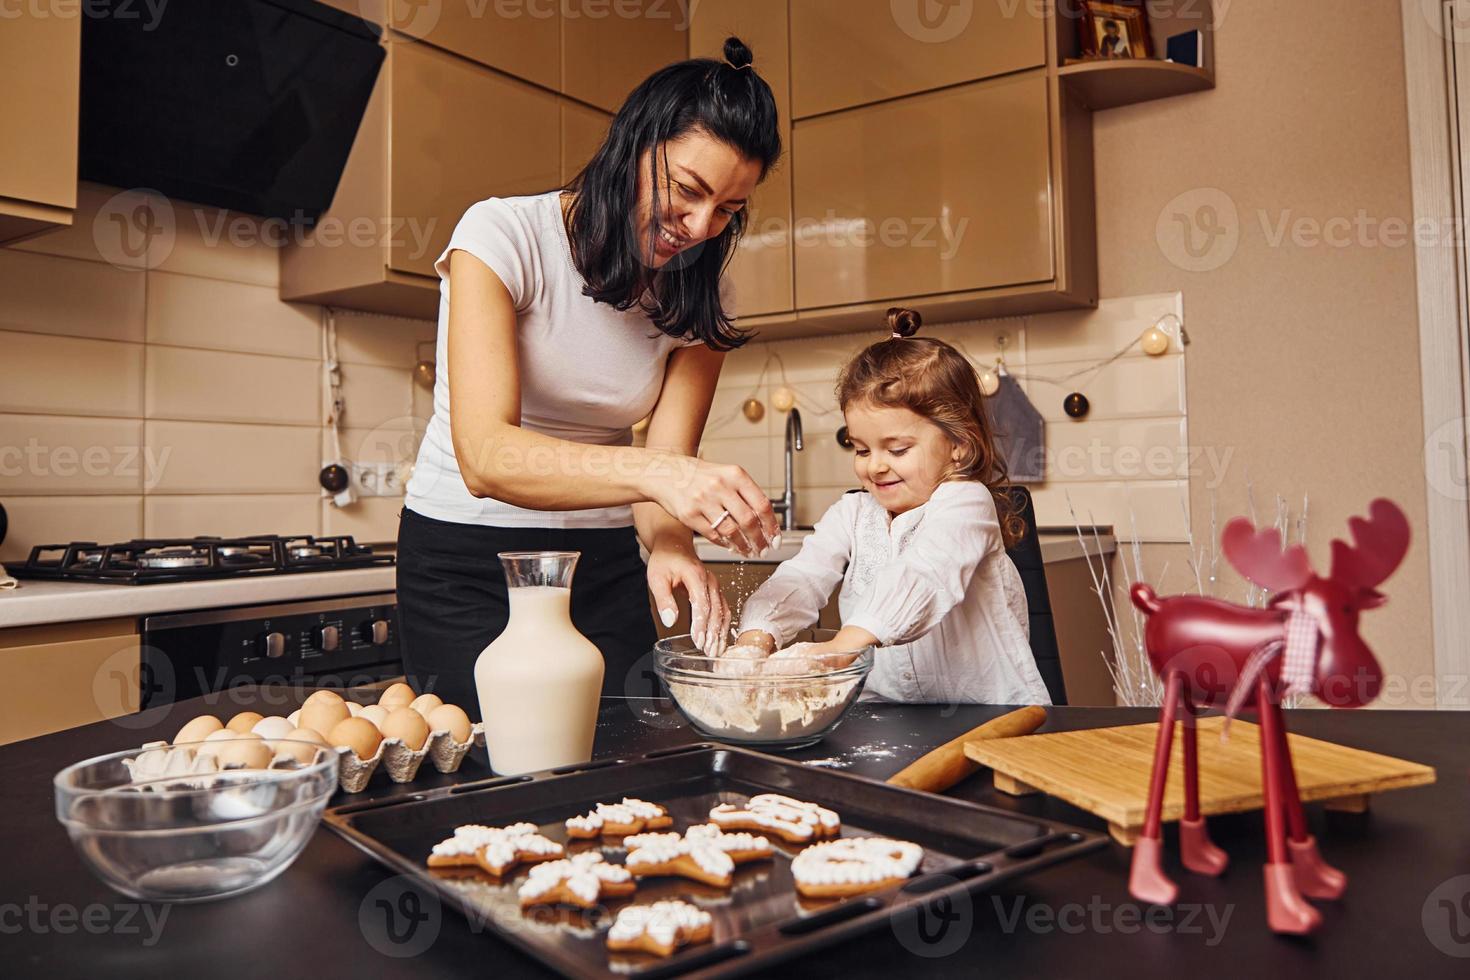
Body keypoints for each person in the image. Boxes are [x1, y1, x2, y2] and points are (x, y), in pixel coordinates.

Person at [396, 38, 783, 716]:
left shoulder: (700, 294)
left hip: (602, 564)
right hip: (465, 561)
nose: (698, 226)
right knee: (488, 768)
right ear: (634, 144)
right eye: (688, 190)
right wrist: (664, 477)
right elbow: (486, 457)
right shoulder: (502, 236)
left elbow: (665, 460)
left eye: (727, 209)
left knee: (620, 761)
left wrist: (668, 541)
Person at [731, 308, 1051, 705]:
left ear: (959, 445)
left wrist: (841, 647)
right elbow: (804, 575)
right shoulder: (852, 514)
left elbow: (925, 574)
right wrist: (757, 637)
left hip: (992, 719)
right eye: (861, 449)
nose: (875, 465)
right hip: (883, 715)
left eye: (897, 449)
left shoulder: (966, 504)